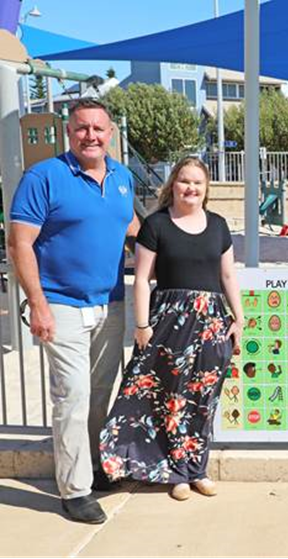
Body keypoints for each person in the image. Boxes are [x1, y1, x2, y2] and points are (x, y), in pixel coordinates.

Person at [8, 99, 139, 524]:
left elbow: (134, 231)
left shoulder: (122, 178)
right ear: (69, 132)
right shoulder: (43, 177)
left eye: (99, 129)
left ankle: (97, 467)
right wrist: (39, 305)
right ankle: (74, 489)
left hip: (111, 302)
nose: (91, 136)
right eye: (82, 128)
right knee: (73, 396)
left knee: (100, 394)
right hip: (60, 304)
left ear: (111, 133)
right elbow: (19, 244)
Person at [98, 157, 243, 501]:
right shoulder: (156, 225)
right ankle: (175, 471)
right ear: (172, 185)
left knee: (203, 401)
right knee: (171, 399)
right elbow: (143, 280)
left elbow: (227, 276)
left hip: (211, 324)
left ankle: (198, 469)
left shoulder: (219, 225)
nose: (190, 188)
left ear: (206, 190)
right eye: (184, 181)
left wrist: (239, 318)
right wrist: (143, 324)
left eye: (198, 183)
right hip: (169, 324)